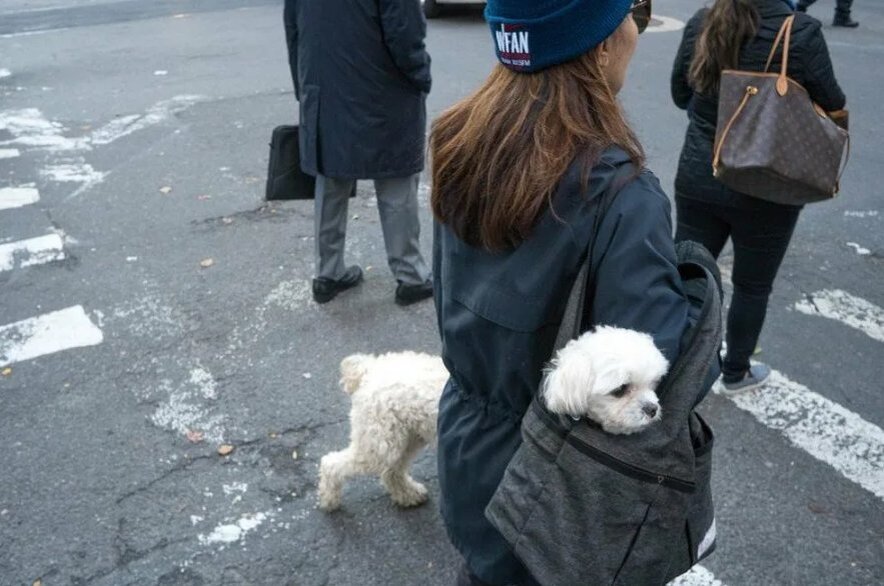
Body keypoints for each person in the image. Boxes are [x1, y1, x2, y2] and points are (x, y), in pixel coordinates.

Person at [431, 1, 715, 584]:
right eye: (634, 9)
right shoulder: (619, 194)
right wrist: (700, 288)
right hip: (557, 482)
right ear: (601, 44)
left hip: (469, 445)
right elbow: (653, 371)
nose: (637, 26)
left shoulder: (460, 139)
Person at [671, 0, 846, 392]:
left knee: (688, 274)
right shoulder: (798, 32)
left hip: (701, 171)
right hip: (769, 184)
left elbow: (681, 95)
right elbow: (832, 102)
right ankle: (736, 371)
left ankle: (675, 364)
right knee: (752, 287)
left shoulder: (703, 21)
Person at [283, 0, 435, 305]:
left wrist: (305, 88)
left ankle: (327, 273)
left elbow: (294, 30)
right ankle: (411, 276)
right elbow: (405, 33)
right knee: (396, 179)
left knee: (330, 178)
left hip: (324, 89)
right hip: (384, 89)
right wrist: (421, 76)